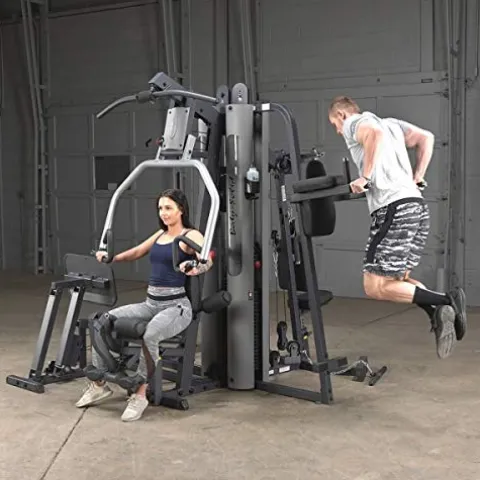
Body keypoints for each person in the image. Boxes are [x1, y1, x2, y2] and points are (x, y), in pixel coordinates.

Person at [327, 96, 466, 359]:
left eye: (335, 123)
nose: (337, 130)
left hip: (394, 209)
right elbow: (426, 137)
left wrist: (365, 177)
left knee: (374, 286)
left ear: (342, 115)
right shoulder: (392, 124)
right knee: (397, 280)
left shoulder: (354, 124)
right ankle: (437, 313)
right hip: (416, 206)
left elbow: (374, 134)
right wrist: (418, 176)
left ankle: (447, 300)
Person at [75, 188, 213, 421]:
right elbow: (138, 251)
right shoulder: (160, 234)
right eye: (160, 208)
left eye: (168, 208)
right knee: (100, 321)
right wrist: (112, 258)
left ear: (181, 209)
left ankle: (140, 394)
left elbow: (207, 258)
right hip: (150, 304)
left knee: (150, 335)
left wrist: (195, 267)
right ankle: (99, 384)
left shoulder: (191, 235)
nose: (163, 213)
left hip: (176, 307)